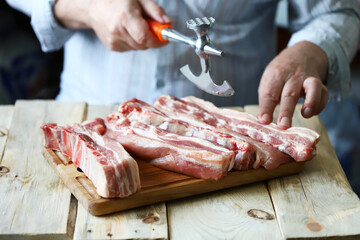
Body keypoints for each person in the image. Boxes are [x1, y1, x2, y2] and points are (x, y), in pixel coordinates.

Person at [5, 0, 360, 130]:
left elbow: (338, 11)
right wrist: (84, 7)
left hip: (234, 132)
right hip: (89, 121)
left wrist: (310, 52)